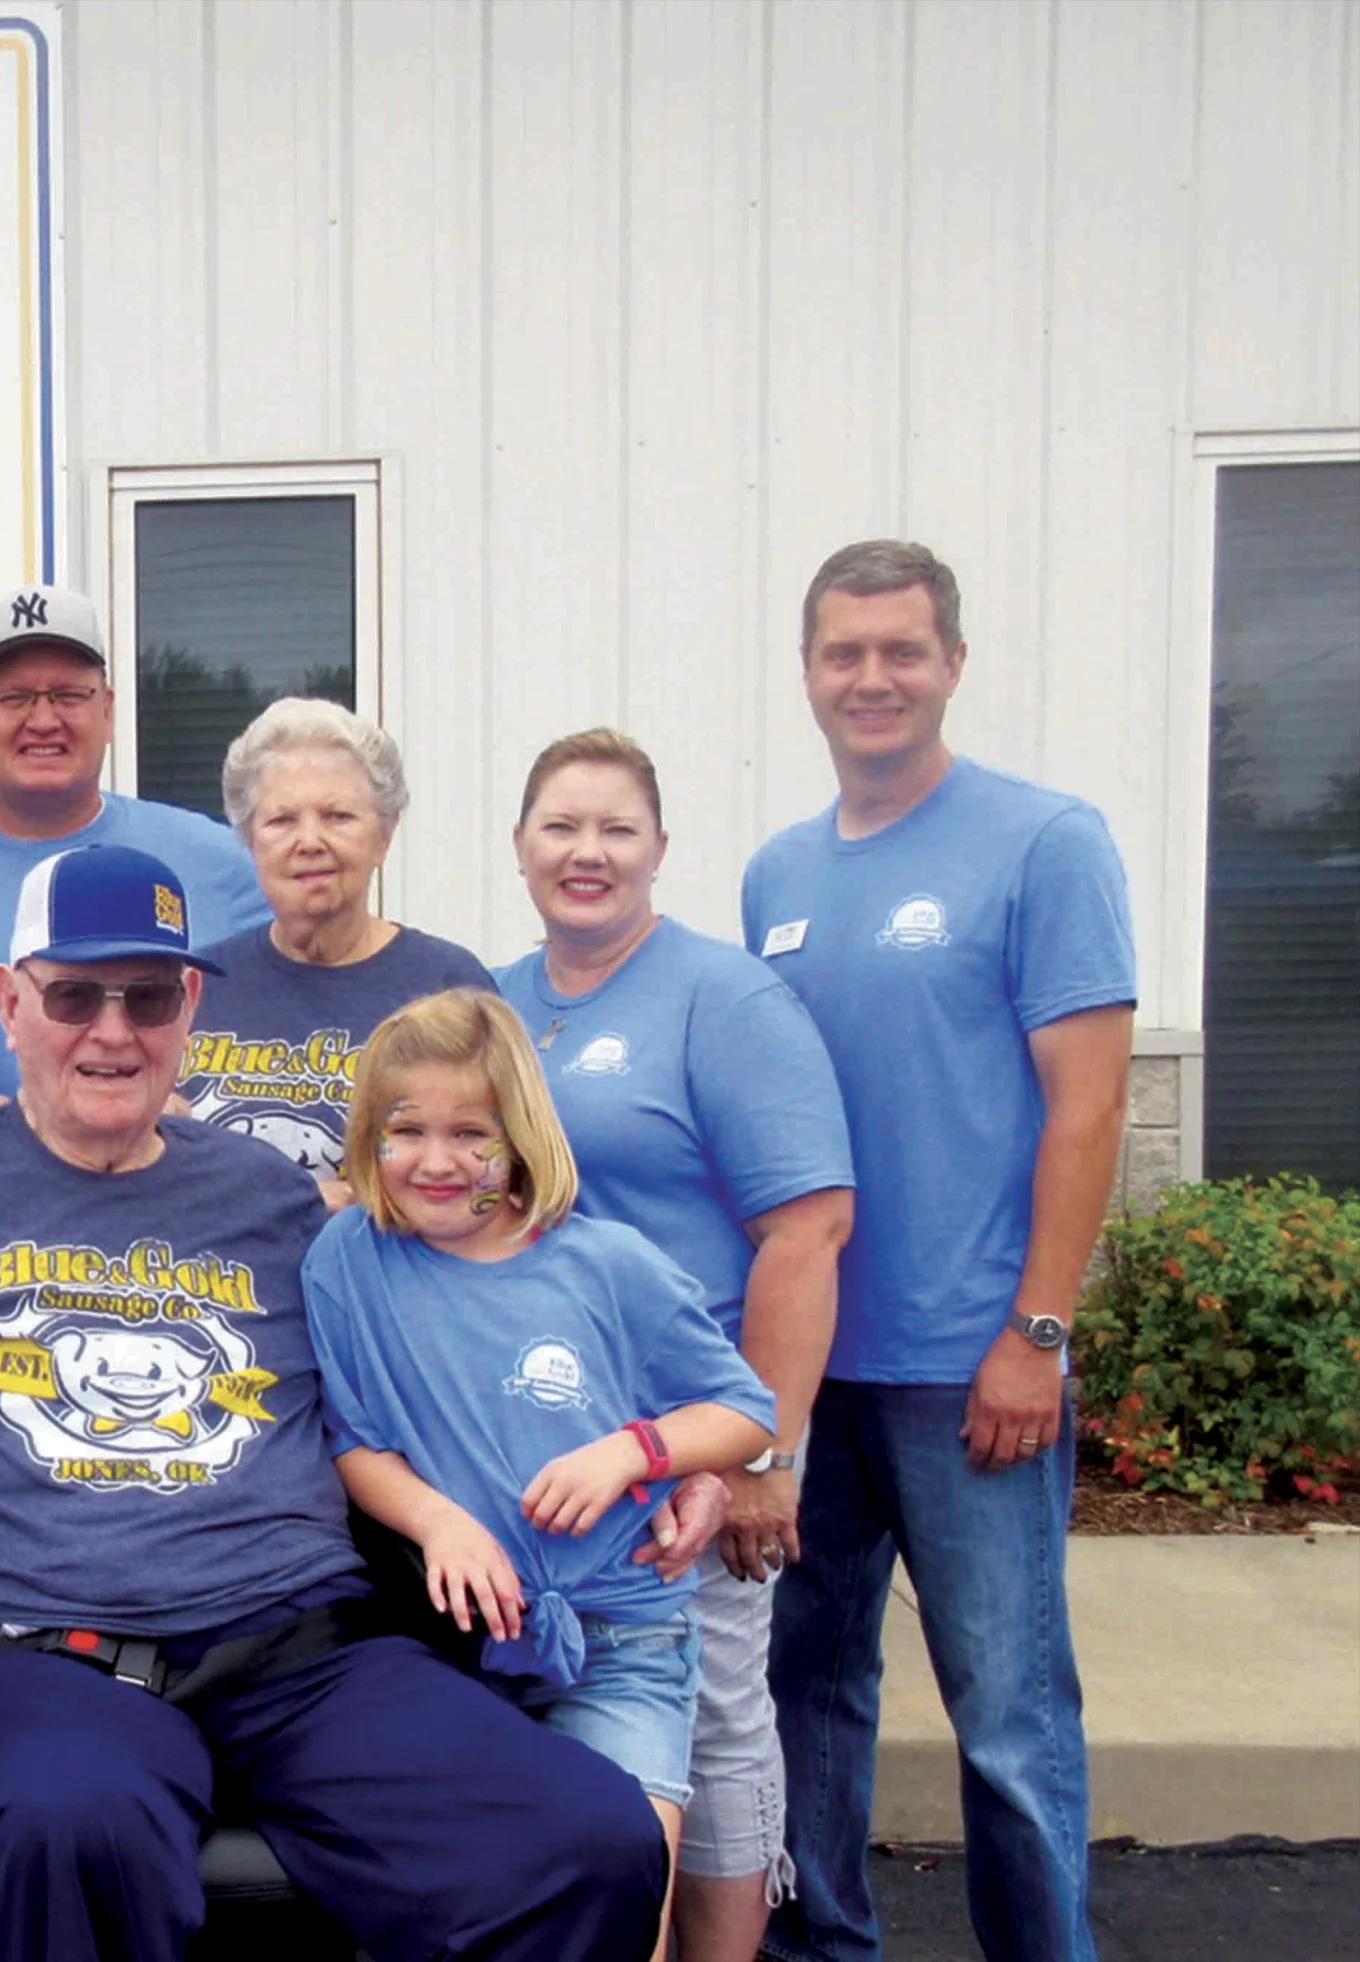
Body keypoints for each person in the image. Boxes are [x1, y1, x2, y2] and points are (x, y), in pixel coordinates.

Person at [0, 844, 671, 1962]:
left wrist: (672, 1455)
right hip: (32, 1658)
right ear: (9, 1001)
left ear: (191, 1008)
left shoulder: (277, 1199)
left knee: (590, 1838)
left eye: (148, 995)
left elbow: (484, 1333)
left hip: (300, 1656)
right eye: (73, 994)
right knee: (78, 1815)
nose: (112, 1031)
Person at [744, 541, 1135, 1962]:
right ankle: (823, 1942)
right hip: (810, 1373)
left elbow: (1090, 1102)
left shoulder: (1046, 839)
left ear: (953, 663)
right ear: (807, 673)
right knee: (809, 1687)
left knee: (1011, 1713)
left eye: (902, 650)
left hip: (972, 1365)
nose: (873, 678)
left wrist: (1035, 1332)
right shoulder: (776, 872)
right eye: (843, 653)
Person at [304, 988, 777, 1953]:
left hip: (620, 1643)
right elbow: (354, 1439)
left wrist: (635, 1452)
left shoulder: (608, 1264)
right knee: (473, 1911)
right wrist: (439, 1522)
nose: (437, 1161)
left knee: (622, 1891)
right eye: (406, 1130)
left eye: (471, 1133)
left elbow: (743, 1411)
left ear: (520, 1136)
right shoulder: (347, 1258)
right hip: (448, 1645)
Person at [491, 729, 853, 1962]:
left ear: (657, 850)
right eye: (560, 827)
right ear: (520, 843)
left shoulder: (724, 998)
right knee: (572, 1714)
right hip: (541, 1450)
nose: (585, 854)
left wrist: (761, 1455)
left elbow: (806, 1230)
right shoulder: (494, 1005)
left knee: (712, 1715)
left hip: (688, 1451)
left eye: (615, 831)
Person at [0, 584, 271, 1100]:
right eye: (14, 697)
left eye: (69, 695)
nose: (44, 720)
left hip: (173, 1172)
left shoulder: (226, 864)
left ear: (108, 710)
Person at [177, 697, 493, 1195]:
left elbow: (497, 1170)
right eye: (281, 820)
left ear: (384, 837)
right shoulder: (194, 984)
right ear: (249, 841)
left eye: (338, 816)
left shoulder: (448, 986)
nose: (309, 841)